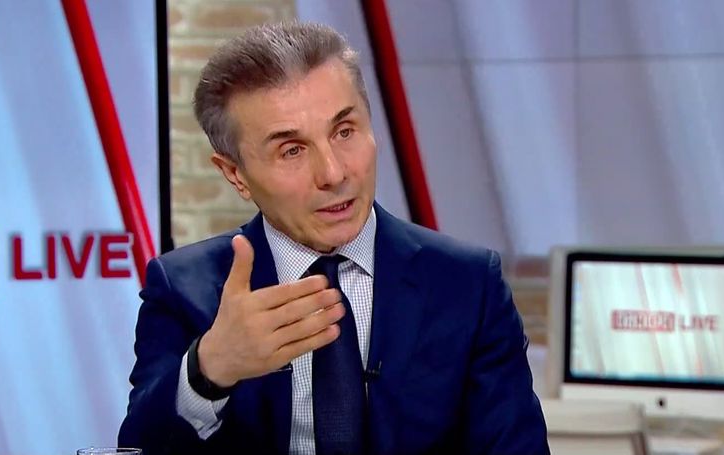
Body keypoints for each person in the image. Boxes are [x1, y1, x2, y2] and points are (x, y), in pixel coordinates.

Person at [118, 21, 548, 455]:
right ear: (235, 174)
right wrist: (210, 369)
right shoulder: (184, 291)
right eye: (292, 150)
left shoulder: (467, 285)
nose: (334, 173)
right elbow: (138, 448)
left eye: (344, 132)